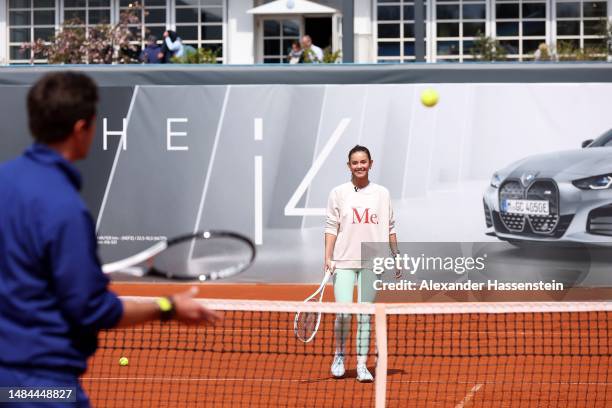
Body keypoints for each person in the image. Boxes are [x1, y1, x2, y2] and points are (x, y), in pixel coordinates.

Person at [0, 72, 221, 407]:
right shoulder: (64, 207)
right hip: (41, 388)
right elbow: (92, 310)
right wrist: (167, 307)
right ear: (80, 129)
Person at [324, 145, 398, 383]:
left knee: (365, 315)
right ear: (349, 166)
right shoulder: (338, 193)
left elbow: (390, 228)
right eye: (355, 162)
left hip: (372, 261)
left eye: (363, 161)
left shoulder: (382, 194)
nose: (359, 166)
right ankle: (339, 356)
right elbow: (331, 227)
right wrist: (327, 257)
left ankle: (361, 364)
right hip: (343, 260)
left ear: (371, 163)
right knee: (344, 313)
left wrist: (396, 256)